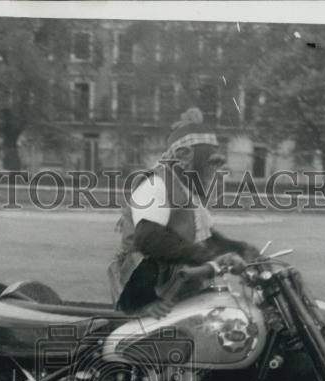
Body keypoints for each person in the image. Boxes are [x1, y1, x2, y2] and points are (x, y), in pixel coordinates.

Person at [109, 107, 261, 316]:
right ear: (184, 157)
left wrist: (242, 249)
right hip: (143, 288)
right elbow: (149, 239)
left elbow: (205, 239)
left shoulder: (189, 191)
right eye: (211, 163)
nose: (215, 171)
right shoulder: (157, 184)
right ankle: (143, 307)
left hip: (177, 281)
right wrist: (207, 257)